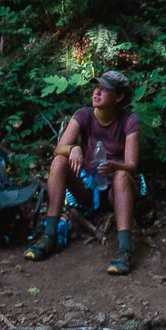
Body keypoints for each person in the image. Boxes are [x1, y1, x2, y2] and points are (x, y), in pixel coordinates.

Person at [26, 71, 144, 273]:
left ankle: (125, 250)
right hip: (90, 187)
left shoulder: (129, 120)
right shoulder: (84, 115)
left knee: (122, 176)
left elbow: (132, 165)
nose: (97, 93)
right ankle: (49, 235)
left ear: (119, 97)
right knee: (59, 161)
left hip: (117, 191)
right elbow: (59, 148)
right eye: (96, 88)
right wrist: (73, 149)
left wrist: (115, 166)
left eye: (104, 90)